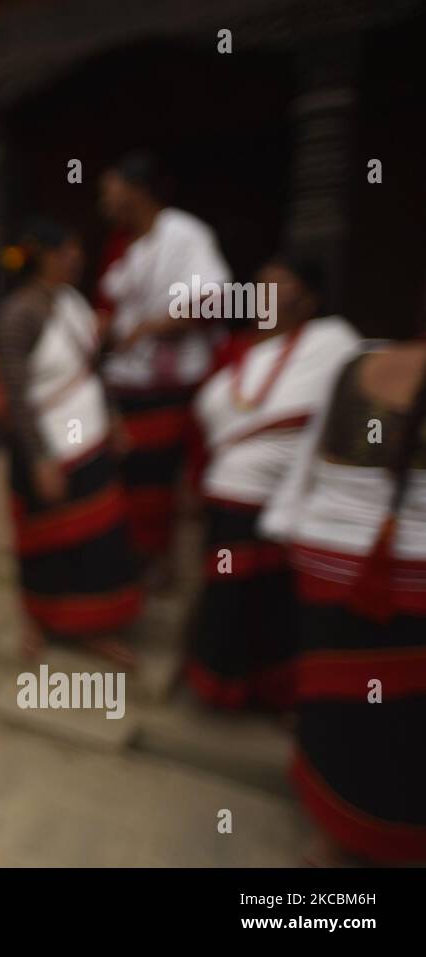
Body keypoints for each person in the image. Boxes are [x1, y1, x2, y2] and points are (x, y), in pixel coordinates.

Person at [260, 287, 426, 864]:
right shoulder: (354, 357)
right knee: (397, 716)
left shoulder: (355, 358)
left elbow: (310, 454)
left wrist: (286, 526)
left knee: (338, 704)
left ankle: (333, 837)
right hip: (392, 574)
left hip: (329, 556)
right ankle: (375, 836)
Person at [186, 256, 359, 710]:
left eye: (278, 283)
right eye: (260, 282)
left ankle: (269, 697)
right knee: (226, 596)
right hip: (227, 499)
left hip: (278, 501)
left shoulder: (332, 342)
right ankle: (217, 689)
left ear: (308, 297)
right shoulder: (238, 351)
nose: (264, 290)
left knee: (270, 603)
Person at [0, 220, 142, 665]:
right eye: (66, 250)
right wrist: (40, 459)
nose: (76, 257)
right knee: (45, 544)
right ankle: (36, 622)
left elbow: (94, 368)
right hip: (44, 448)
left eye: (77, 249)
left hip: (90, 440)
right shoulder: (20, 312)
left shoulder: (75, 303)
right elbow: (16, 396)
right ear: (44, 256)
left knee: (97, 544)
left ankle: (92, 627)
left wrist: (113, 418)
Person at [98, 151, 232, 589]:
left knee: (159, 485)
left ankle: (159, 567)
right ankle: (137, 566)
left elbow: (218, 298)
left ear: (137, 190)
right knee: (130, 482)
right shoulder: (128, 244)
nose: (106, 200)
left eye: (111, 190)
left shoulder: (185, 233)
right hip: (127, 384)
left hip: (169, 386)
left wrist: (155, 325)